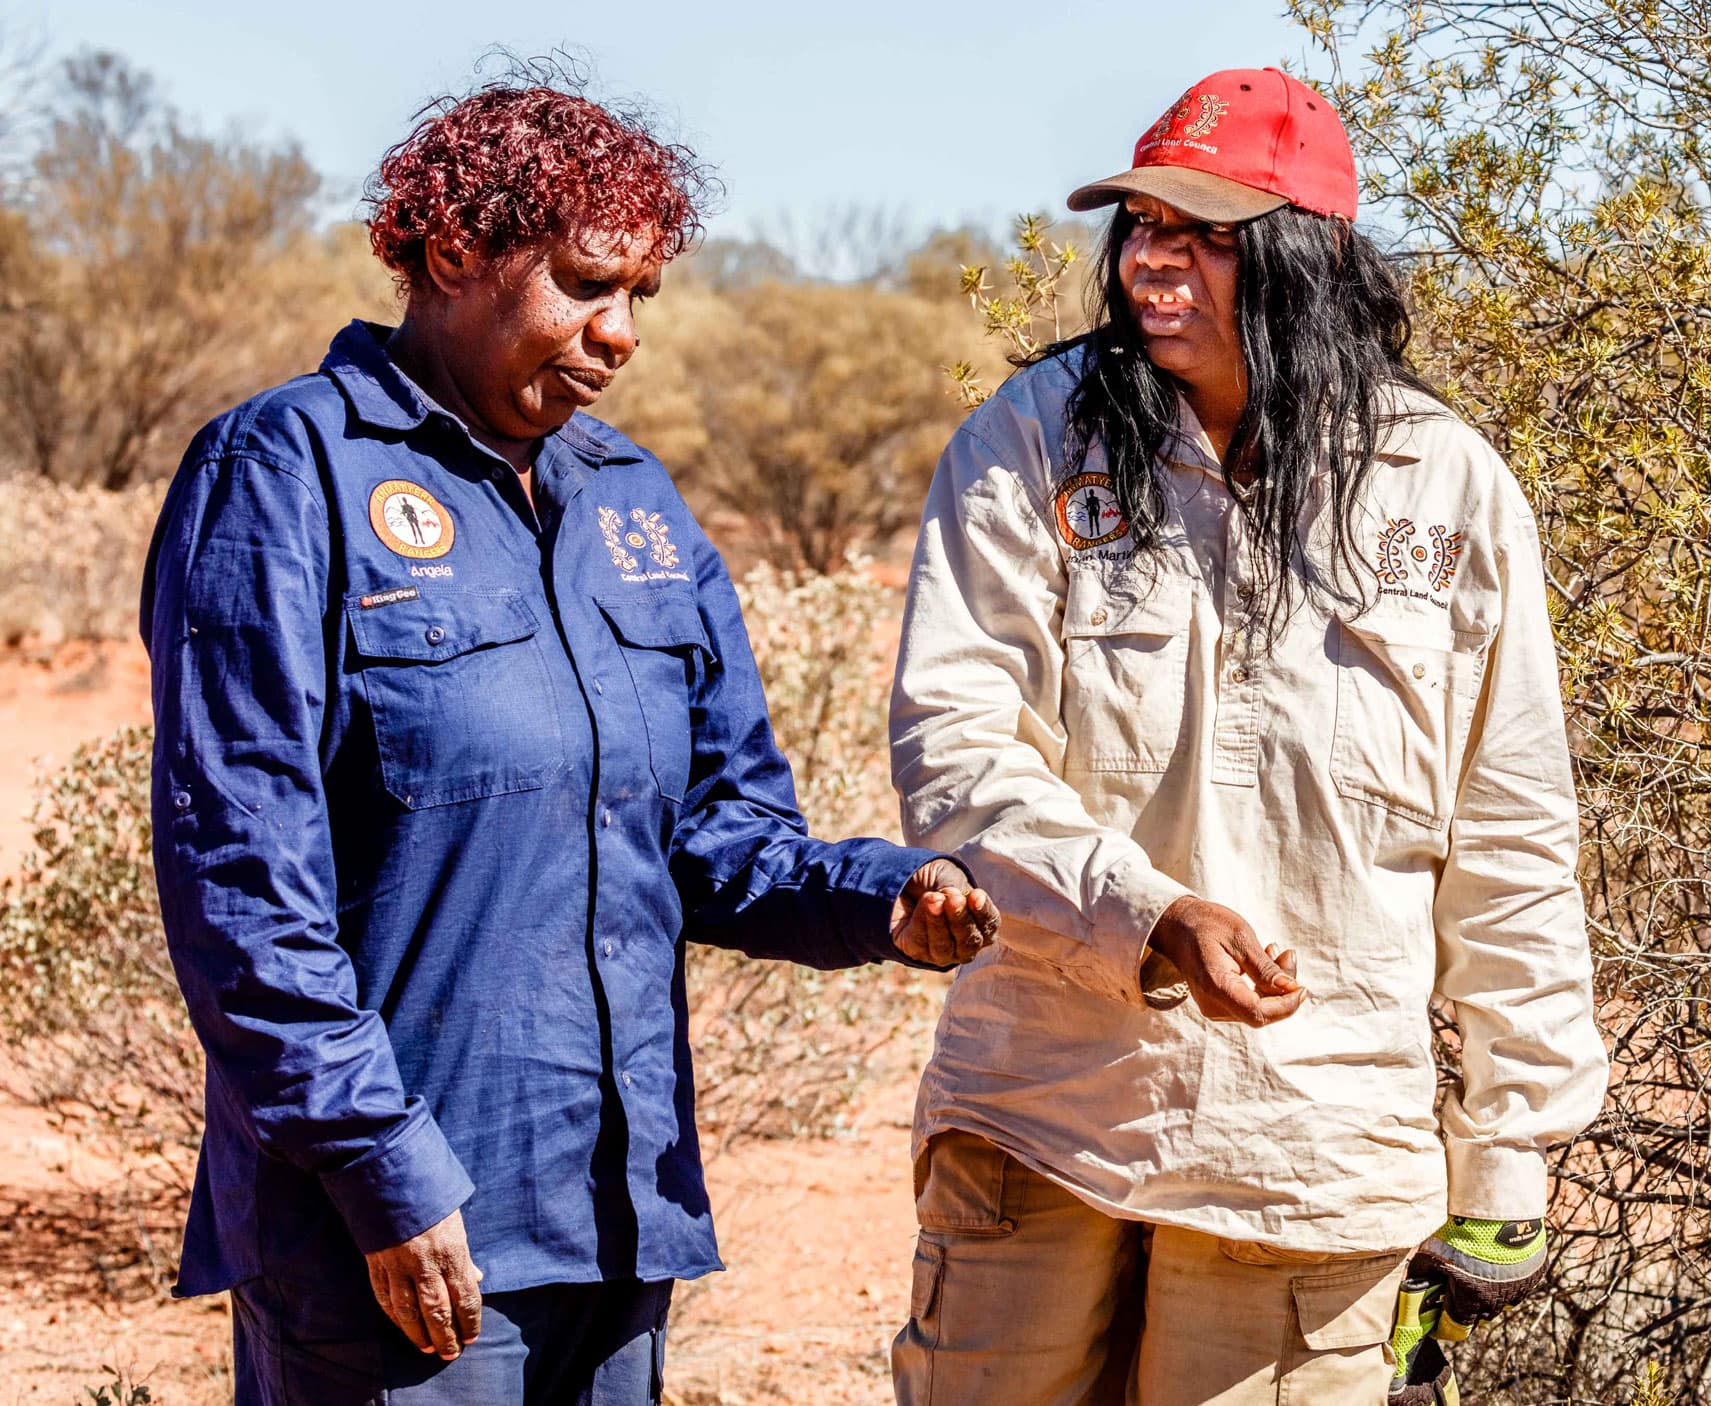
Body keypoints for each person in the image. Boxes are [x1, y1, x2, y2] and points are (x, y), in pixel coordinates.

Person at [143, 80, 997, 1406]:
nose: (620, 333)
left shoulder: (630, 503)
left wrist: (888, 897)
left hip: (615, 1214)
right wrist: (382, 1169)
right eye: (589, 285)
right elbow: (241, 885)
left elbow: (721, 839)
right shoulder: (284, 471)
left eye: (641, 297)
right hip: (394, 1241)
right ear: (451, 253)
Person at [888, 67, 1607, 1405]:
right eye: (1141, 223)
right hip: (1043, 1107)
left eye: (1203, 232)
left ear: (1305, 259)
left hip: (1310, 1144)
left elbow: (1511, 833)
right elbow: (955, 750)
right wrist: (1148, 915)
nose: (1152, 259)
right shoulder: (1028, 448)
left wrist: (1510, 1151)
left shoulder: (1446, 488)